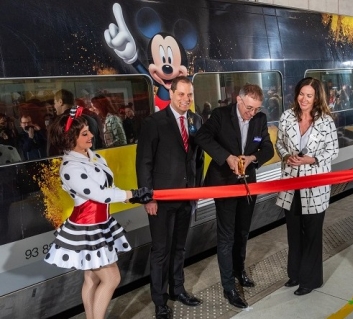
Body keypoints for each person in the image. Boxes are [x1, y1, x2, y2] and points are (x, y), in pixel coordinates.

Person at [43, 107, 152, 319]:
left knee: (92, 279)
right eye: (84, 133)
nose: (91, 135)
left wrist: (133, 197)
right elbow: (99, 195)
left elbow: (109, 189)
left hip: (100, 224)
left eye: (88, 131)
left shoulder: (93, 157)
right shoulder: (70, 168)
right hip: (87, 228)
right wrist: (134, 193)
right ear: (69, 138)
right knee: (111, 278)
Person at [195, 83, 274, 309]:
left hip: (248, 186)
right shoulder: (220, 116)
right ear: (238, 100)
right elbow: (202, 137)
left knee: (242, 232)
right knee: (227, 236)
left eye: (256, 109)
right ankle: (229, 286)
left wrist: (252, 159)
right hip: (225, 186)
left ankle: (240, 272)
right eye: (249, 108)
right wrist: (227, 157)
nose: (252, 114)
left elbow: (267, 147)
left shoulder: (259, 119)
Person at [136, 76, 204, 319]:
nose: (185, 99)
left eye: (189, 95)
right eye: (181, 94)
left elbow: (197, 159)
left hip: (187, 198)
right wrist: (148, 198)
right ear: (171, 94)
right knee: (161, 251)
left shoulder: (196, 121)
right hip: (161, 201)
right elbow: (144, 163)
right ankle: (160, 302)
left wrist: (197, 191)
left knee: (179, 248)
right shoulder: (154, 123)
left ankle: (178, 290)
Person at [275, 77, 339, 296]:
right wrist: (286, 156)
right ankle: (294, 274)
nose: (304, 99)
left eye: (309, 95)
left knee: (312, 233)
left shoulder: (326, 121)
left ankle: (310, 280)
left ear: (316, 97)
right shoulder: (286, 116)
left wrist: (312, 160)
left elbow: (333, 150)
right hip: (291, 184)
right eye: (301, 94)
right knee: (293, 232)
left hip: (315, 186)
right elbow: (280, 143)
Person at [49, 89, 102, 155]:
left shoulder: (58, 123)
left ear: (60, 102)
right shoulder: (91, 119)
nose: (54, 106)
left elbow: (53, 152)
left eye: (54, 103)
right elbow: (100, 146)